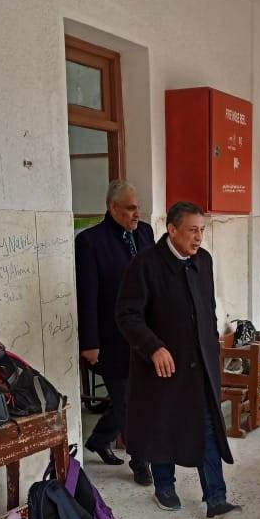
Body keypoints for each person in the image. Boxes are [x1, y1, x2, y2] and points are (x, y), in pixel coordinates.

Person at [115, 201, 241, 519]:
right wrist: (153, 347)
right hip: (163, 365)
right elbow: (127, 315)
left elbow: (208, 310)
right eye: (192, 230)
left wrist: (213, 346)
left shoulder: (204, 261)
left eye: (202, 230)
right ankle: (164, 486)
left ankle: (216, 499)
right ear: (172, 230)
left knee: (207, 426)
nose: (198, 237)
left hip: (200, 364)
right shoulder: (145, 264)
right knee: (163, 425)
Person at [75, 180, 156, 485]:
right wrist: (90, 342)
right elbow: (87, 295)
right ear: (112, 207)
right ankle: (140, 460)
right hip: (111, 337)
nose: (137, 214)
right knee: (126, 401)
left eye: (138, 208)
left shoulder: (145, 233)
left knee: (138, 397)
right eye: (131, 208)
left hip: (144, 334)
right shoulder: (91, 242)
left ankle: (100, 438)